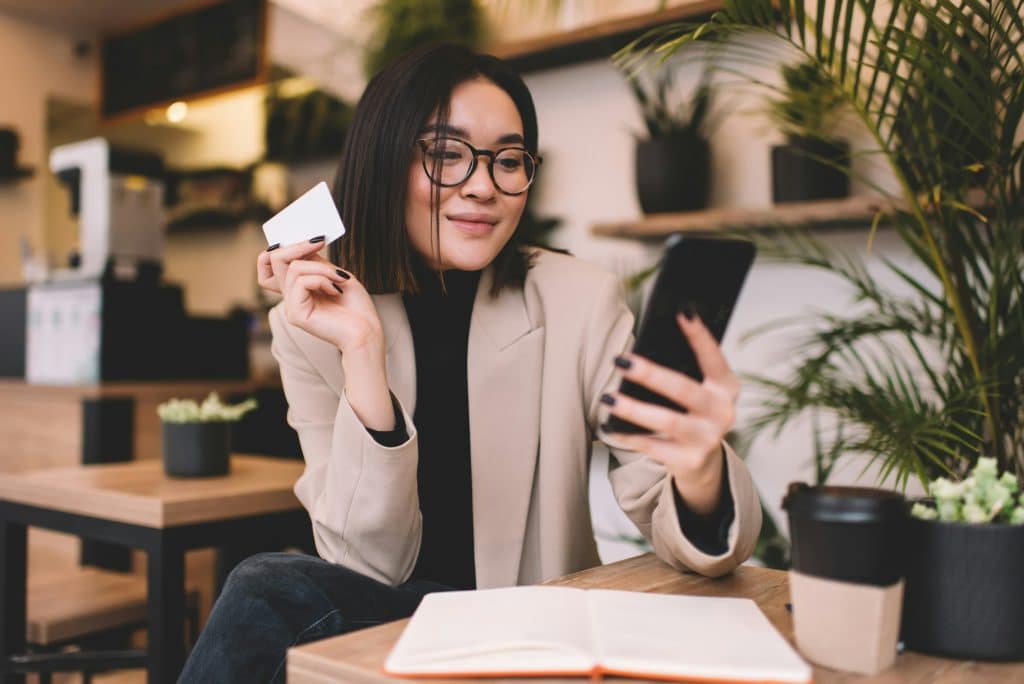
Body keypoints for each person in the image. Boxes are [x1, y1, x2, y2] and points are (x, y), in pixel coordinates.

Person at [178, 43, 761, 683]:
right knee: (266, 587)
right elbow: (366, 563)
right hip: (389, 633)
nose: (483, 185)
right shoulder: (313, 325)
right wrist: (363, 356)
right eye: (446, 155)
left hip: (526, 630)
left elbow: (682, 524)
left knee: (261, 585)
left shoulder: (578, 302)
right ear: (386, 160)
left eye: (508, 160)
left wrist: (701, 467)